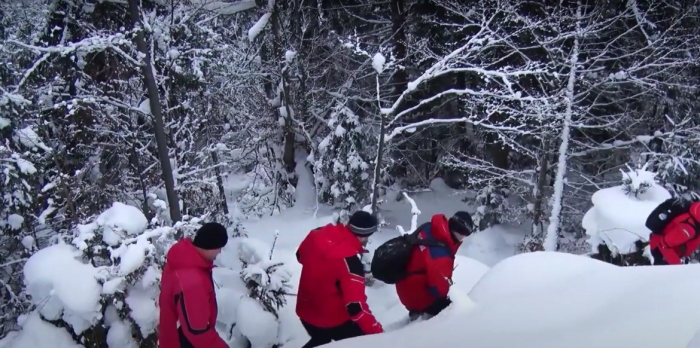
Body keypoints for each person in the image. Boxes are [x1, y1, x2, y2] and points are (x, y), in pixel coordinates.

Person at [295, 210, 384, 348]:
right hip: (332, 320)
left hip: (305, 311)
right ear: (362, 237)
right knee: (364, 343)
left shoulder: (317, 233)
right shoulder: (350, 263)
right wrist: (381, 334)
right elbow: (355, 308)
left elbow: (300, 255)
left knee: (321, 339)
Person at [158, 222, 229, 348]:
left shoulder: (184, 259)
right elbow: (198, 333)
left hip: (173, 338)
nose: (219, 252)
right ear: (210, 246)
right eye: (219, 247)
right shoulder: (192, 280)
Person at [395, 211, 473, 320]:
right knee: (455, 311)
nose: (463, 238)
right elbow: (439, 289)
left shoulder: (431, 228)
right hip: (415, 295)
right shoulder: (440, 253)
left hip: (404, 285)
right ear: (457, 231)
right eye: (463, 234)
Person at [649, 201, 700, 265]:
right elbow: (663, 245)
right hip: (663, 254)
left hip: (672, 252)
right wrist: (677, 267)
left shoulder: (695, 211)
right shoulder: (689, 229)